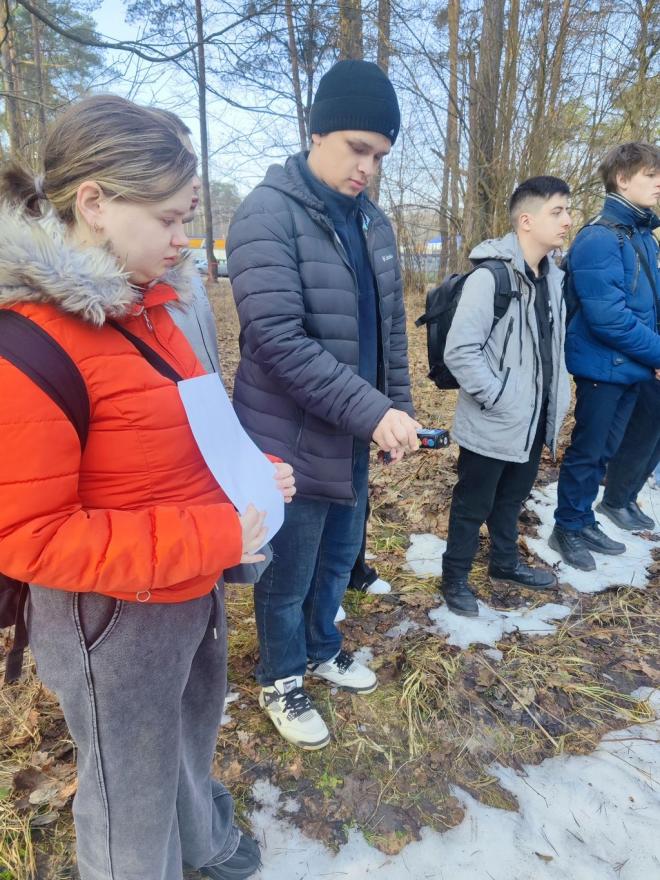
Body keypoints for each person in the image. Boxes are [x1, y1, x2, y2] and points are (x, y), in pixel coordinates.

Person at [0, 95, 295, 880]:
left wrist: (249, 479)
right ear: (94, 202)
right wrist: (216, 534)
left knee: (190, 733)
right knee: (128, 791)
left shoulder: (151, 306)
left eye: (185, 219)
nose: (181, 239)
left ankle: (201, 843)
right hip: (111, 620)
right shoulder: (27, 345)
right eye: (167, 218)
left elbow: (179, 435)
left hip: (190, 583)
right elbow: (29, 537)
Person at [227, 60, 419, 749]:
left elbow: (390, 331)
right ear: (316, 133)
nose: (368, 167)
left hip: (353, 430)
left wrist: (397, 412)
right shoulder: (265, 214)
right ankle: (280, 676)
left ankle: (321, 647)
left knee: (340, 557)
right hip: (289, 438)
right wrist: (373, 412)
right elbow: (278, 341)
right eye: (357, 148)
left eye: (380, 156)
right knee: (288, 571)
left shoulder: (374, 223)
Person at [441, 176, 572, 616]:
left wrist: (553, 399)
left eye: (568, 211)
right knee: (471, 504)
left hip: (535, 417)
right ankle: (454, 578)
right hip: (495, 417)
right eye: (557, 212)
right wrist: (499, 397)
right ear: (526, 220)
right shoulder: (490, 277)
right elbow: (461, 351)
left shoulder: (554, 280)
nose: (567, 221)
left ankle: (504, 563)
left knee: (512, 498)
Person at [549, 143, 660, 570]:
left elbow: (647, 306)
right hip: (603, 367)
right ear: (622, 180)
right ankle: (566, 527)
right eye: (651, 175)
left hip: (629, 366)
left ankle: (582, 519)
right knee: (588, 451)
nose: (658, 184)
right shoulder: (600, 237)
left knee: (604, 451)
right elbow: (608, 319)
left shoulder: (638, 234)